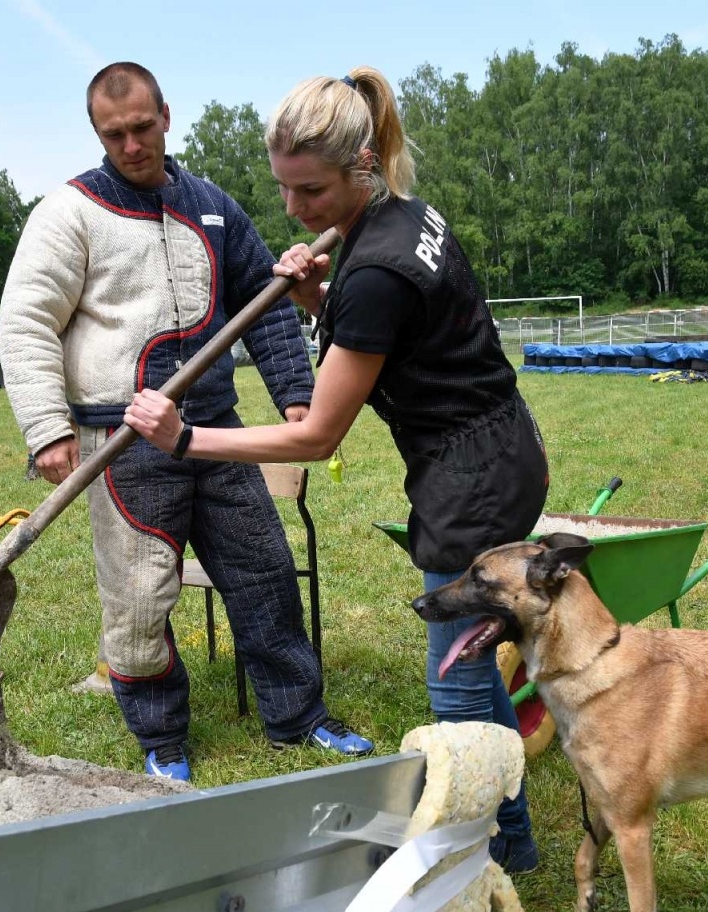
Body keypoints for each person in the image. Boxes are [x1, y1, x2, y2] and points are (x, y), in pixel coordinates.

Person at [124, 68, 549, 871]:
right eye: (285, 190)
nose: (295, 210)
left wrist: (186, 440)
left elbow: (317, 435)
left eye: (310, 191)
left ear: (360, 163)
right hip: (503, 446)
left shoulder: (379, 266)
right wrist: (319, 298)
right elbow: (397, 339)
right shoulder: (403, 218)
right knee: (475, 648)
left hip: (471, 480)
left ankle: (484, 855)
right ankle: (514, 835)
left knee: (455, 679)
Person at [0, 61, 373, 782]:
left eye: (142, 127)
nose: (132, 144)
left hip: (214, 429)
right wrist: (46, 427)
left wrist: (296, 392)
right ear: (97, 133)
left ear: (165, 115)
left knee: (265, 573)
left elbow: (261, 301)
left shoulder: (213, 206)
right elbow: (25, 322)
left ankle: (299, 716)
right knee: (139, 598)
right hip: (121, 439)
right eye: (115, 134)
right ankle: (162, 738)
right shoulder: (69, 212)